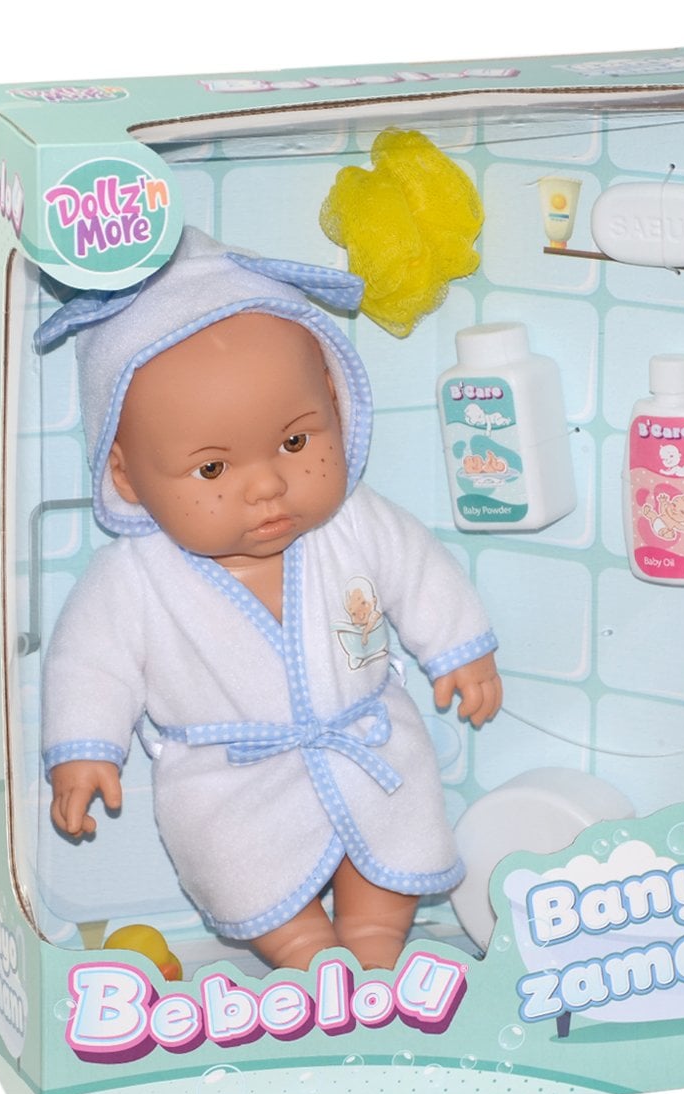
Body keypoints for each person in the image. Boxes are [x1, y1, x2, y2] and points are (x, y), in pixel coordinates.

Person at [38, 229, 501, 971]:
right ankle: (304, 954)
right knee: (241, 866)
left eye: (293, 443)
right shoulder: (133, 578)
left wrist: (460, 649)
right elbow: (89, 663)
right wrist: (86, 748)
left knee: (393, 846)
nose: (265, 485)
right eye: (212, 468)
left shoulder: (357, 524)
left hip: (367, 741)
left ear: (336, 407)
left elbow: (420, 570)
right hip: (229, 781)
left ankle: (376, 946)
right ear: (125, 476)